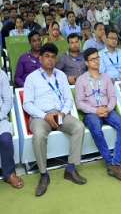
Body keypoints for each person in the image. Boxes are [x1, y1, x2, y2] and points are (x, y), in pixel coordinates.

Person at [23, 43, 87, 196]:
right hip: (40, 116)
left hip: (60, 114)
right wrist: (45, 116)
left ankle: (70, 169)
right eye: (47, 56)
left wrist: (63, 113)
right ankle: (44, 175)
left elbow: (68, 100)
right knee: (38, 135)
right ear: (40, 58)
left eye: (53, 57)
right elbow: (27, 103)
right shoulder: (31, 78)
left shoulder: (61, 75)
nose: (50, 60)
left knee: (79, 126)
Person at [75, 48, 121, 181]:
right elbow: (79, 103)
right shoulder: (81, 80)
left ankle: (115, 163)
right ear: (86, 62)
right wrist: (96, 110)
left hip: (107, 110)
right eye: (93, 59)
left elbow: (113, 97)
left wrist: (107, 108)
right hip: (91, 113)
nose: (96, 61)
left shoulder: (105, 77)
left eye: (97, 58)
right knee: (97, 130)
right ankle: (110, 163)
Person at [0, 69, 24, 189]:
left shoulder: (1, 74)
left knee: (5, 139)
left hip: (0, 118)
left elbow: (8, 100)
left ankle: (9, 174)